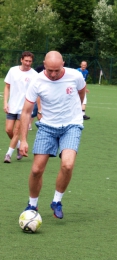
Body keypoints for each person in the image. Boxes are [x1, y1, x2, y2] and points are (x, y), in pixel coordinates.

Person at [19, 51, 86, 219]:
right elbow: (26, 112)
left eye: (57, 70)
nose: (54, 74)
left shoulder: (75, 75)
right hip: (47, 126)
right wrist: (23, 140)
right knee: (36, 170)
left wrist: (76, 112)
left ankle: (57, 201)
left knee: (67, 165)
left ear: (63, 63)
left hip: (72, 124)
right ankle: (32, 205)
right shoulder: (36, 81)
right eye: (50, 71)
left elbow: (81, 91)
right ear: (44, 65)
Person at [3, 51, 38, 163]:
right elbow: (7, 87)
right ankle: (19, 145)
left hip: (24, 109)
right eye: (26, 61)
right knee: (8, 130)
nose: (28, 63)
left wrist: (40, 110)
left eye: (30, 61)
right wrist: (5, 103)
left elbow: (37, 93)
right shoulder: (13, 70)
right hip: (12, 105)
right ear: (21, 60)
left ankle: (8, 154)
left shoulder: (34, 75)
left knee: (17, 131)